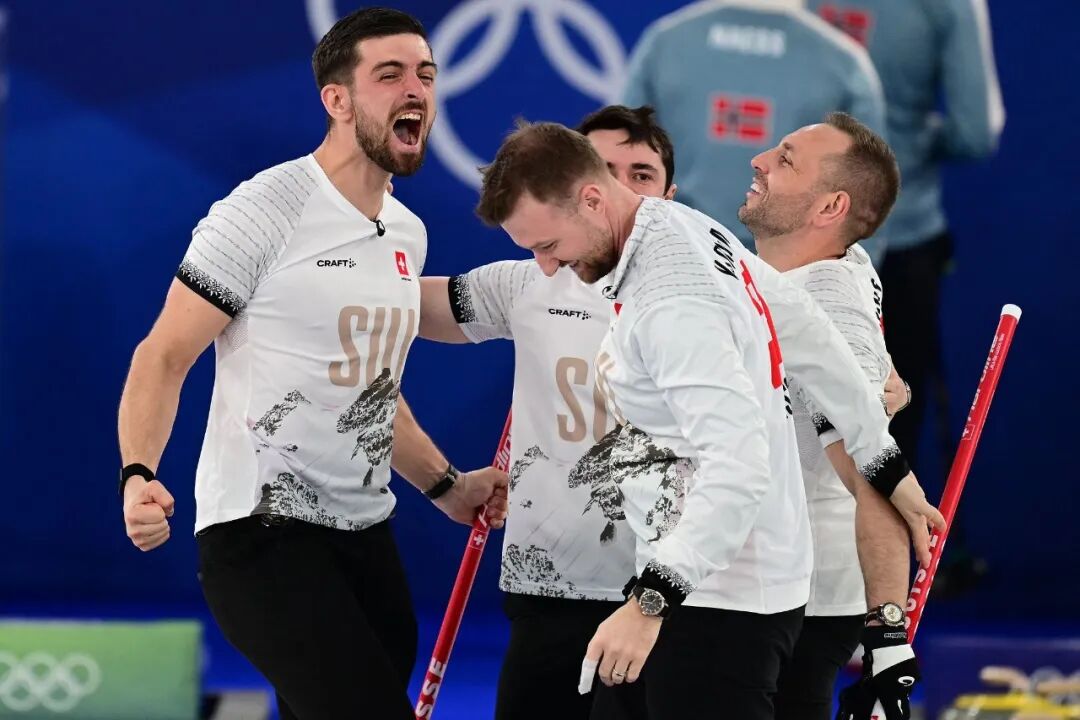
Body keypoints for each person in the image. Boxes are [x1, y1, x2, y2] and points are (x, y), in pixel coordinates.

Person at [116, 9, 507, 719]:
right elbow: (164, 354)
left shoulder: (407, 232)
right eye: (389, 74)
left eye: (425, 74)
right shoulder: (264, 209)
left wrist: (447, 485)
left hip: (365, 536)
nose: (416, 90)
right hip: (261, 535)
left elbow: (371, 391)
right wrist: (138, 473)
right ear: (337, 99)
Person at [471, 120, 936, 719]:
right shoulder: (678, 224)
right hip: (702, 581)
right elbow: (802, 326)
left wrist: (651, 603)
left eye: (547, 245)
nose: (545, 267)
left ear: (591, 198)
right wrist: (886, 460)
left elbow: (741, 466)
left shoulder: (673, 304)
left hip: (718, 601)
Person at [420, 105, 675, 720]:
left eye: (641, 174)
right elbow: (399, 305)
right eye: (604, 170)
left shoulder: (703, 288)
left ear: (670, 196)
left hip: (665, 593)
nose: (616, 190)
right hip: (550, 585)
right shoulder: (531, 280)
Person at [737, 112, 917, 719]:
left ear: (830, 207)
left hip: (791, 597)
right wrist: (890, 388)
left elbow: (871, 464)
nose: (759, 159)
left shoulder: (824, 299)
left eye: (785, 159)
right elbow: (881, 388)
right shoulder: (845, 262)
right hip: (777, 582)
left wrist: (888, 631)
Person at [806, 0, 1004, 482]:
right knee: (887, 440)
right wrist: (906, 141)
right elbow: (974, 134)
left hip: (794, 236)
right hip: (900, 238)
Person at [622, 0, 888, 260]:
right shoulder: (843, 60)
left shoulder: (666, 42)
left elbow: (618, 158)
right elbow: (868, 192)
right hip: (790, 270)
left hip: (678, 254)